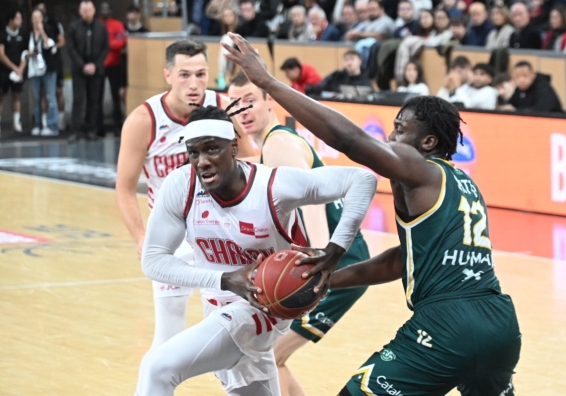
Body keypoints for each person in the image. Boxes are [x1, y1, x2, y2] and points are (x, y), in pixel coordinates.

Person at [222, 32, 521, 396]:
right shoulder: (464, 185)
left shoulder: (420, 167)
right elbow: (403, 261)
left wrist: (267, 82)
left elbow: (350, 140)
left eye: (400, 129)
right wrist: (327, 280)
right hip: (501, 327)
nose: (391, 139)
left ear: (428, 143)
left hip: (448, 325)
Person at [135, 103, 377, 396]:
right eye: (194, 152)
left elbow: (362, 180)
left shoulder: (272, 186)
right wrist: (225, 280)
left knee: (158, 368)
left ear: (233, 147)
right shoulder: (181, 186)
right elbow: (153, 262)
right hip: (217, 306)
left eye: (212, 149)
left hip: (263, 307)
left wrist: (335, 250)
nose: (201, 162)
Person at [115, 38, 255, 393]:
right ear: (167, 75)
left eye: (201, 74)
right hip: (174, 239)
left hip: (220, 234)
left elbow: (254, 161)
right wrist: (141, 238)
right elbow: (125, 188)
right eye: (185, 75)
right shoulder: (143, 119)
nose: (194, 84)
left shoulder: (222, 107)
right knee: (168, 338)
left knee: (240, 329)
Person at [227, 71, 371, 396]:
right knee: (268, 356)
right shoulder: (272, 145)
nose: (243, 111)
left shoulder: (279, 144)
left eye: (250, 101)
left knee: (266, 356)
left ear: (269, 100)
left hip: (335, 267)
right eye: (235, 105)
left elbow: (313, 208)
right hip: (339, 263)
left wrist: (319, 267)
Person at [67, 0, 109, 141]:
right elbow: (71, 49)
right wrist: (82, 65)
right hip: (79, 69)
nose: (87, 13)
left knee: (94, 100)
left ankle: (92, 130)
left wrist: (95, 65)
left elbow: (105, 48)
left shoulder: (101, 27)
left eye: (89, 10)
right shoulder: (73, 27)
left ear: (94, 11)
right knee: (78, 99)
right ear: (80, 12)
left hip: (96, 69)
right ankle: (76, 131)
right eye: (84, 10)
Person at [27, 8, 60, 136]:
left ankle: (52, 125)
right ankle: (37, 125)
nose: (36, 21)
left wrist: (42, 32)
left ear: (42, 19)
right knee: (36, 98)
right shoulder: (28, 33)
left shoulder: (49, 29)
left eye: (38, 18)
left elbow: (50, 45)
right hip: (34, 69)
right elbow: (24, 50)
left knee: (50, 97)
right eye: (34, 18)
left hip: (48, 69)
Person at [35, 2, 67, 132]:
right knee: (42, 94)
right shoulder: (33, 27)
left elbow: (61, 41)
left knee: (57, 92)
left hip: (54, 62)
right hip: (39, 64)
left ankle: (60, 120)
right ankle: (44, 122)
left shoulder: (54, 24)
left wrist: (54, 46)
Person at [99, 1, 127, 134]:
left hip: (114, 64)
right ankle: (98, 128)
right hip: (99, 64)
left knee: (116, 97)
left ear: (110, 11)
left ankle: (118, 126)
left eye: (106, 9)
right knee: (96, 98)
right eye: (102, 9)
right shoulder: (97, 25)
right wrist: (110, 44)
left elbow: (122, 42)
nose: (104, 11)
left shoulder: (117, 24)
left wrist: (107, 44)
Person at [0, 10, 27, 134]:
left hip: (18, 71)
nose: (20, 21)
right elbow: (1, 54)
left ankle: (16, 122)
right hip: (4, 71)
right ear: (11, 20)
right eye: (18, 18)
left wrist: (20, 68)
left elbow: (26, 53)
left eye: (21, 18)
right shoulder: (3, 34)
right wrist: (13, 68)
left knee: (16, 96)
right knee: (1, 96)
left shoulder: (23, 34)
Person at [305, 50, 372, 96]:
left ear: (360, 61)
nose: (349, 63)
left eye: (352, 59)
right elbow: (320, 88)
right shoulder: (336, 76)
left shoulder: (366, 77)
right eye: (346, 60)